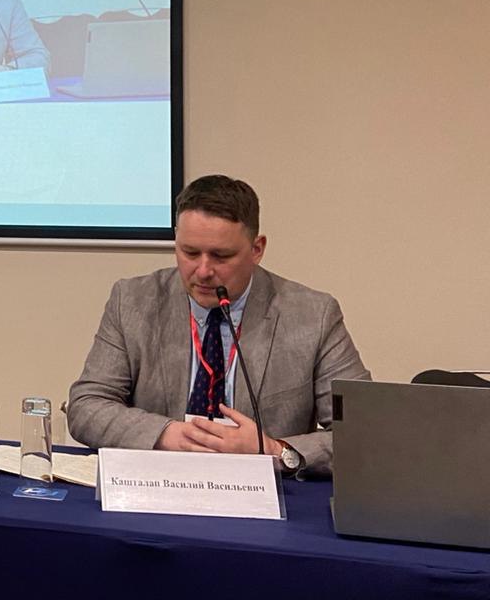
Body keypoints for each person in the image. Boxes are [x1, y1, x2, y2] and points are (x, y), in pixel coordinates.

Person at [66, 175, 370, 477]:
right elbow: (87, 406)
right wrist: (165, 434)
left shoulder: (313, 315)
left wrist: (274, 450)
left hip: (265, 493)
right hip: (159, 485)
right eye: (189, 252)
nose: (203, 271)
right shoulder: (133, 301)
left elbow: (365, 432)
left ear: (257, 249)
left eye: (221, 256)